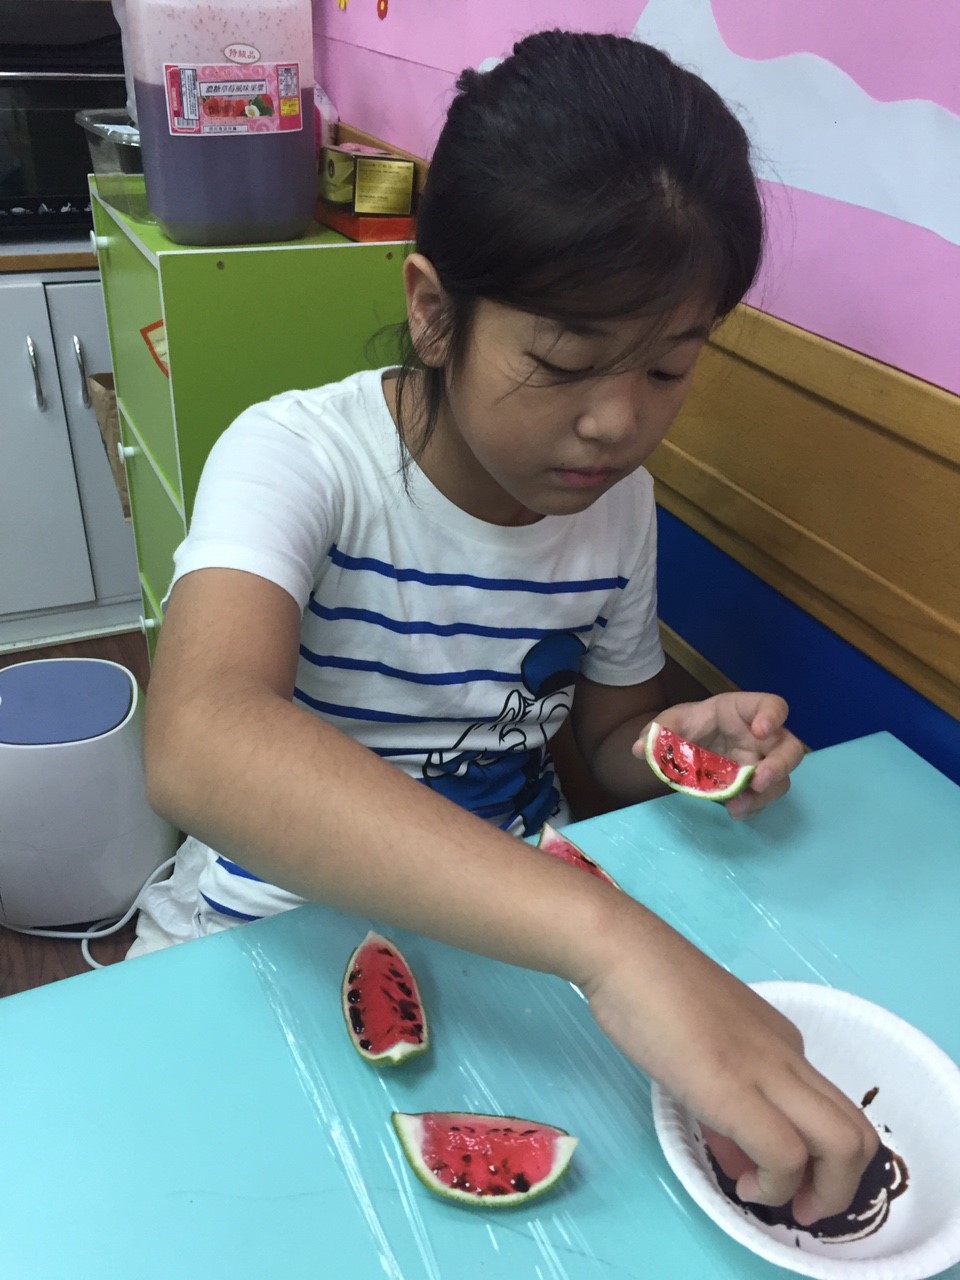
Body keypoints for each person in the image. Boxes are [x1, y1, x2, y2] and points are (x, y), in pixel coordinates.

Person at [135, 30, 877, 1224]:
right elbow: (201, 737)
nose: (617, 424)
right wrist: (611, 940)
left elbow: (608, 737)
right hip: (273, 922)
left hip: (515, 939)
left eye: (669, 369)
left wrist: (674, 744)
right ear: (436, 313)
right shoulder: (295, 458)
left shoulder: (618, 508)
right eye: (569, 361)